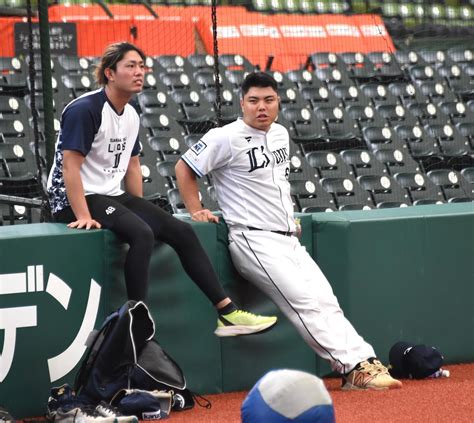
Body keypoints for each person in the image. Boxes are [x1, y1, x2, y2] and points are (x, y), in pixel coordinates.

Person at [175, 72, 403, 390]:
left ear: (278, 102)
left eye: (268, 100)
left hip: (288, 238)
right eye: (253, 100)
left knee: (326, 301)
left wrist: (287, 216)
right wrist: (195, 209)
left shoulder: (280, 134)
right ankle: (354, 366)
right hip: (253, 239)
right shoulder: (224, 137)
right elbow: (184, 168)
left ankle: (363, 361)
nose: (261, 107)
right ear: (242, 103)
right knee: (304, 303)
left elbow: (275, 184)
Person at [47, 42, 277, 337]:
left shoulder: (130, 112)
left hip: (108, 194)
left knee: (181, 231)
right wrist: (81, 213)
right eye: (131, 66)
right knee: (141, 233)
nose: (139, 72)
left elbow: (132, 166)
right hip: (72, 198)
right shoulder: (85, 109)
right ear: (110, 73)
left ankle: (227, 312)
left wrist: (137, 209)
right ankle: (136, 320)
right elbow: (70, 166)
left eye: (142, 66)